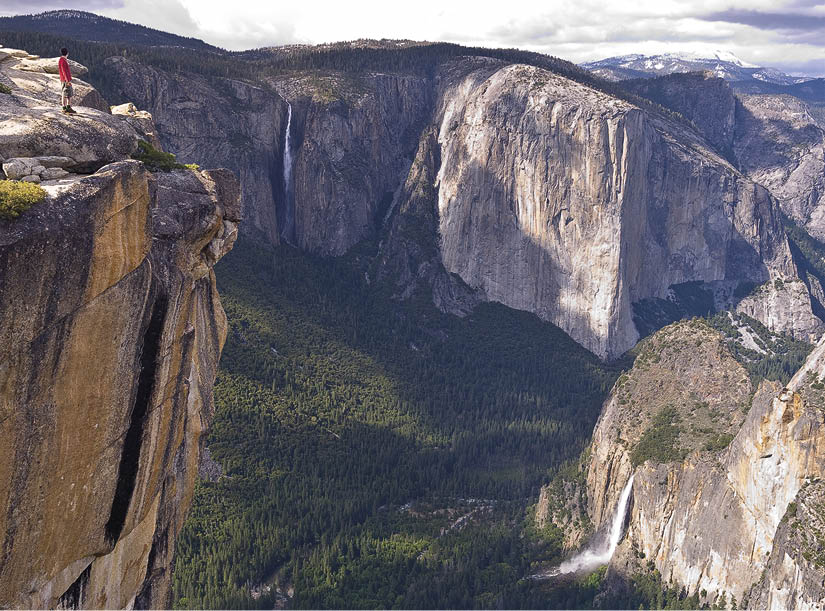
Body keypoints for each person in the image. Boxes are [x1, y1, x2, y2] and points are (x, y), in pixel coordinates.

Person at [58, 48, 76, 114]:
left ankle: (67, 107)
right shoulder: (63, 60)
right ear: (67, 53)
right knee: (65, 93)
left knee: (68, 93)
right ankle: (65, 108)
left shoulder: (62, 60)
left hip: (65, 79)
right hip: (65, 80)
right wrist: (67, 80)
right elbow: (64, 71)